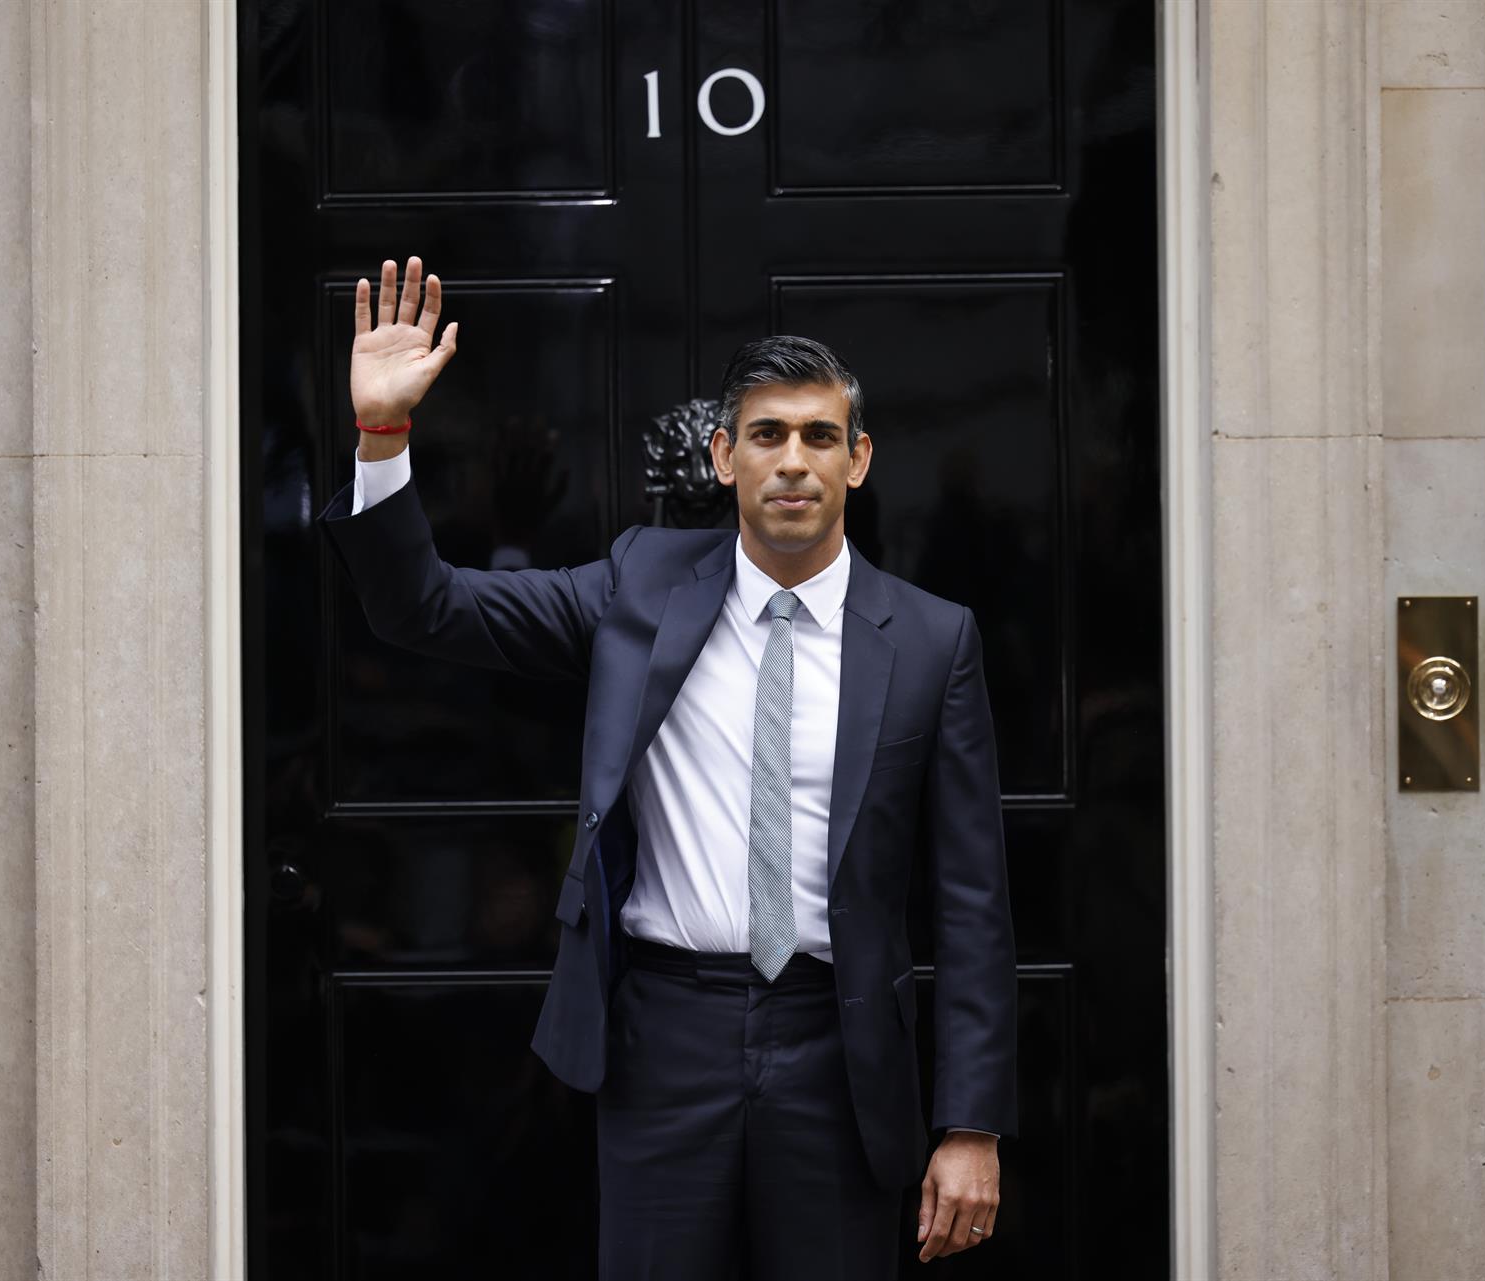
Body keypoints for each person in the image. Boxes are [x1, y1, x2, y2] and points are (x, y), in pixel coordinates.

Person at [320, 255, 1018, 1276]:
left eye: (819, 436)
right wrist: (382, 434)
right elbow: (424, 608)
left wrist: (972, 1123)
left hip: (841, 1045)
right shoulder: (638, 586)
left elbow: (972, 899)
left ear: (859, 459)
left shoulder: (930, 639)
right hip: (666, 1034)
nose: (793, 461)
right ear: (724, 455)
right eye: (767, 435)